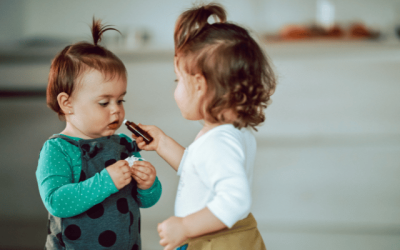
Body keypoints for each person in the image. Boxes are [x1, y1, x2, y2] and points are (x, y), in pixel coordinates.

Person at [131, 3, 276, 250]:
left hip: (217, 241)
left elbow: (235, 200)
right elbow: (198, 171)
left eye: (178, 80)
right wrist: (163, 143)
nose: (175, 88)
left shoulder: (219, 141)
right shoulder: (230, 132)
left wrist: (185, 227)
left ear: (199, 85)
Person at [36, 18, 162, 250]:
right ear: (67, 103)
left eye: (120, 100)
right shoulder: (58, 149)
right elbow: (56, 201)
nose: (116, 109)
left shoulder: (125, 145)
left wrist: (149, 185)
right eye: (104, 102)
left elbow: (146, 201)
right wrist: (106, 181)